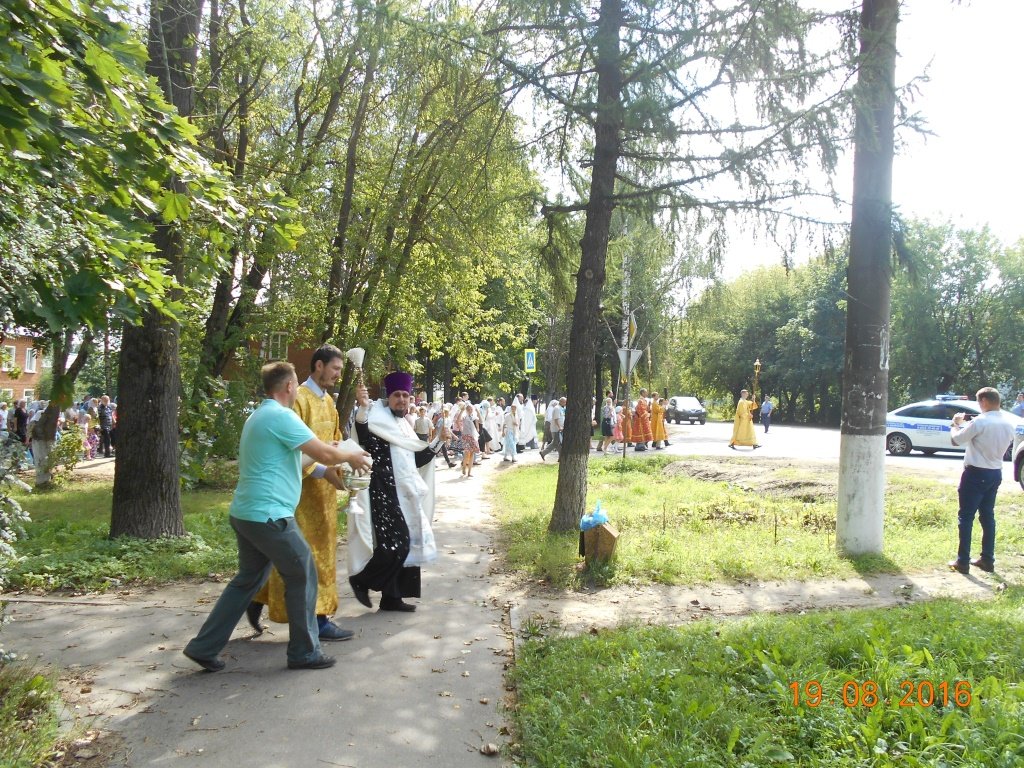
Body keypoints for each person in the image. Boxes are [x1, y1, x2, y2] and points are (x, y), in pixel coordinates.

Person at [182, 361, 371, 672]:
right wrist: (349, 454)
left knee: (247, 580)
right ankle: (304, 652)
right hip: (270, 516)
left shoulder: (260, 415)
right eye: (296, 383)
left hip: (247, 514)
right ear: (289, 386)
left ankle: (203, 647)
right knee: (304, 573)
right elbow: (324, 456)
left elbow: (297, 460)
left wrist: (331, 448)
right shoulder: (282, 416)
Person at [248, 345, 358, 642]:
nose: (338, 375)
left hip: (324, 495)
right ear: (319, 365)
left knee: (315, 553)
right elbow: (291, 451)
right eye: (335, 369)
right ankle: (318, 620)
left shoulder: (330, 402)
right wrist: (325, 469)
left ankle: (257, 597)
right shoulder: (298, 400)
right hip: (297, 493)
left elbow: (335, 441)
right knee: (307, 558)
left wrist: (342, 471)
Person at [349, 372, 439, 612]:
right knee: (397, 544)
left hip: (406, 491)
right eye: (397, 395)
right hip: (383, 490)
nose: (401, 400)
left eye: (405, 395)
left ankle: (392, 598)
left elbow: (417, 458)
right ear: (388, 397)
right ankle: (361, 580)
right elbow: (363, 436)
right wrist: (362, 408)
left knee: (408, 544)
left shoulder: (405, 425)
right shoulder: (377, 418)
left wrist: (440, 440)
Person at [947, 387, 1015, 574]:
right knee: (987, 516)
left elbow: (956, 440)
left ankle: (962, 561)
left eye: (979, 402)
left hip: (975, 473)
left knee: (966, 517)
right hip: (995, 472)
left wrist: (955, 424)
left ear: (984, 401)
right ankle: (987, 559)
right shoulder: (1008, 423)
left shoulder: (980, 422)